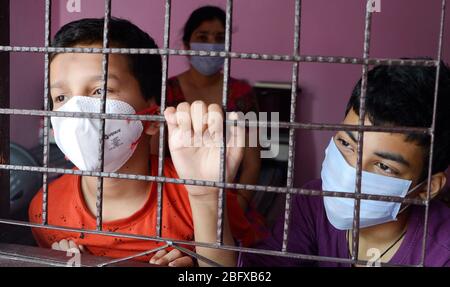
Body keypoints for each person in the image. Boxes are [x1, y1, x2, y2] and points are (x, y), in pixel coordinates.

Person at [28, 17, 252, 267]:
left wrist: (206, 200)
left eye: (101, 91)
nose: (75, 111)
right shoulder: (45, 208)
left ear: (154, 117)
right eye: (61, 97)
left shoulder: (201, 195)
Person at [239, 60, 450, 267]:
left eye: (384, 166)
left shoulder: (442, 253)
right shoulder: (312, 203)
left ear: (428, 188)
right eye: (346, 143)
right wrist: (206, 199)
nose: (351, 174)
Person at [152, 6, 261, 212]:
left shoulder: (242, 92)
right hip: (172, 198)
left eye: (220, 38)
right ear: (186, 44)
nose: (211, 45)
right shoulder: (166, 91)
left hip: (227, 199)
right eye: (202, 37)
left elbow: (253, 164)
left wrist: (238, 206)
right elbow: (154, 154)